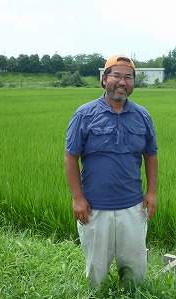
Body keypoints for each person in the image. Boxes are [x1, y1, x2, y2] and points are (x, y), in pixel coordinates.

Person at [64, 54, 158, 288]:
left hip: (133, 206)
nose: (122, 82)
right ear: (104, 79)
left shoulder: (142, 116)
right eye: (116, 75)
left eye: (129, 77)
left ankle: (133, 293)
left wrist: (152, 192)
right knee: (97, 269)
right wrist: (77, 198)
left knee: (136, 269)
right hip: (95, 208)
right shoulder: (84, 115)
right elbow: (70, 156)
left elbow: (151, 154)